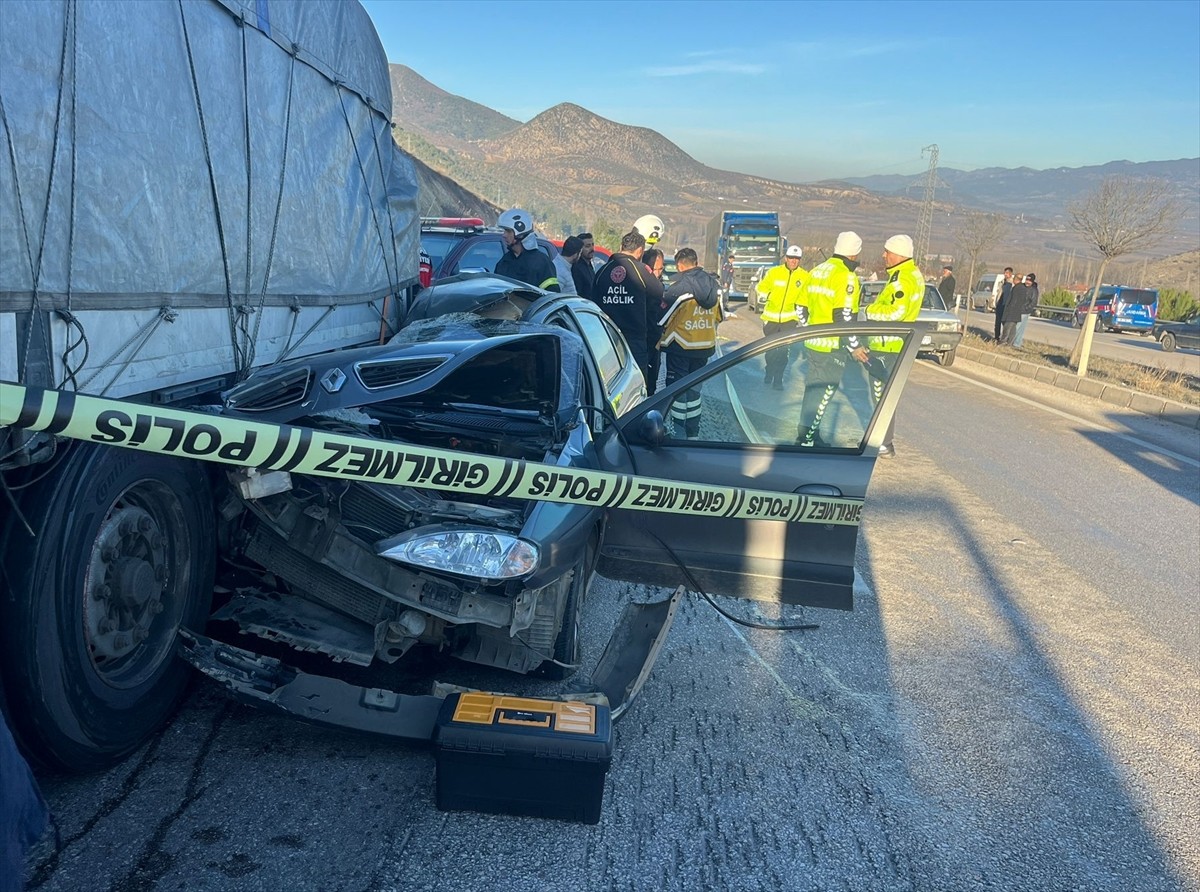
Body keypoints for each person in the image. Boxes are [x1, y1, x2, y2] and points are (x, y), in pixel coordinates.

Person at [795, 231, 864, 448]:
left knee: (812, 391)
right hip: (832, 346)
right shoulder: (845, 276)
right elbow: (844, 316)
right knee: (823, 394)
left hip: (813, 344)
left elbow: (800, 307)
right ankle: (807, 439)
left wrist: (809, 330)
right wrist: (854, 346)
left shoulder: (817, 271)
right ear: (853, 254)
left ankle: (807, 434)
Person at [864, 234, 925, 457]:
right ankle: (883, 441)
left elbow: (896, 311)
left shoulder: (901, 279)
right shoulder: (913, 275)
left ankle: (883, 443)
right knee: (886, 395)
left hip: (887, 346)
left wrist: (869, 310)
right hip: (896, 344)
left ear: (898, 254)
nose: (884, 255)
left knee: (881, 396)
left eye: (887, 252)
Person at [657, 247, 721, 437]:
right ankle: (693, 432)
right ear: (696, 262)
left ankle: (678, 431)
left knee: (677, 391)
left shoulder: (679, 288)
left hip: (680, 347)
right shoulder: (714, 286)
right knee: (694, 392)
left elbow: (662, 319)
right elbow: (719, 317)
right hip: (704, 347)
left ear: (679, 265)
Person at [590, 228, 664, 383]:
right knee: (636, 382)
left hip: (606, 339)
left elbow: (593, 302)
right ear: (640, 251)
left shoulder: (602, 271)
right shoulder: (642, 271)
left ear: (621, 247)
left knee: (610, 382)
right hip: (634, 339)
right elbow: (657, 296)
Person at [756, 244, 809, 390]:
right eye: (791, 258)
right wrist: (768, 295)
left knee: (784, 351)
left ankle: (778, 380)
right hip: (771, 319)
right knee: (771, 351)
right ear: (786, 258)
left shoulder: (805, 276)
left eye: (797, 258)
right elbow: (761, 287)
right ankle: (769, 370)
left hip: (789, 320)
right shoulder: (774, 272)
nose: (793, 261)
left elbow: (807, 296)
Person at [493, 208, 559, 291]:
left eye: (508, 231)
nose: (504, 235)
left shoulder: (542, 262)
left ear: (520, 234)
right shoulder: (504, 262)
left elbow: (552, 294)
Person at [642, 248, 666, 394]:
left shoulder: (661, 286)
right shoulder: (639, 285)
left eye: (660, 269)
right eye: (653, 269)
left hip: (656, 340)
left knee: (653, 379)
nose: (657, 273)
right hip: (642, 339)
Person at [1001, 273, 1032, 345]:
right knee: (1012, 329)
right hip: (1017, 312)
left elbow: (1013, 300)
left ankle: (1003, 341)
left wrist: (1009, 310)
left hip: (1012, 312)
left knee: (1007, 327)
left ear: (1015, 279)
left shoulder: (1017, 288)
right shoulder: (1023, 288)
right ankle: (1010, 343)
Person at [1012, 272, 1039, 348]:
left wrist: (1026, 308)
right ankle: (1015, 342)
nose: (1027, 282)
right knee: (1015, 326)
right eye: (1027, 280)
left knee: (1019, 327)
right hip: (1017, 310)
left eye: (1029, 281)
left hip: (1025, 311)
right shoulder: (1022, 287)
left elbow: (1033, 302)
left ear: (1032, 281)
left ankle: (1016, 343)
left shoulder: (1034, 290)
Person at [993, 267, 1014, 341]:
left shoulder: (1012, 284)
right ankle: (996, 337)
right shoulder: (1002, 282)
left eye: (1007, 273)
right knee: (997, 323)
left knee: (1005, 323)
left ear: (1010, 274)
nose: (1005, 274)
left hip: (1005, 306)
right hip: (999, 304)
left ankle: (1005, 338)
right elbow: (999, 293)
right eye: (1005, 273)